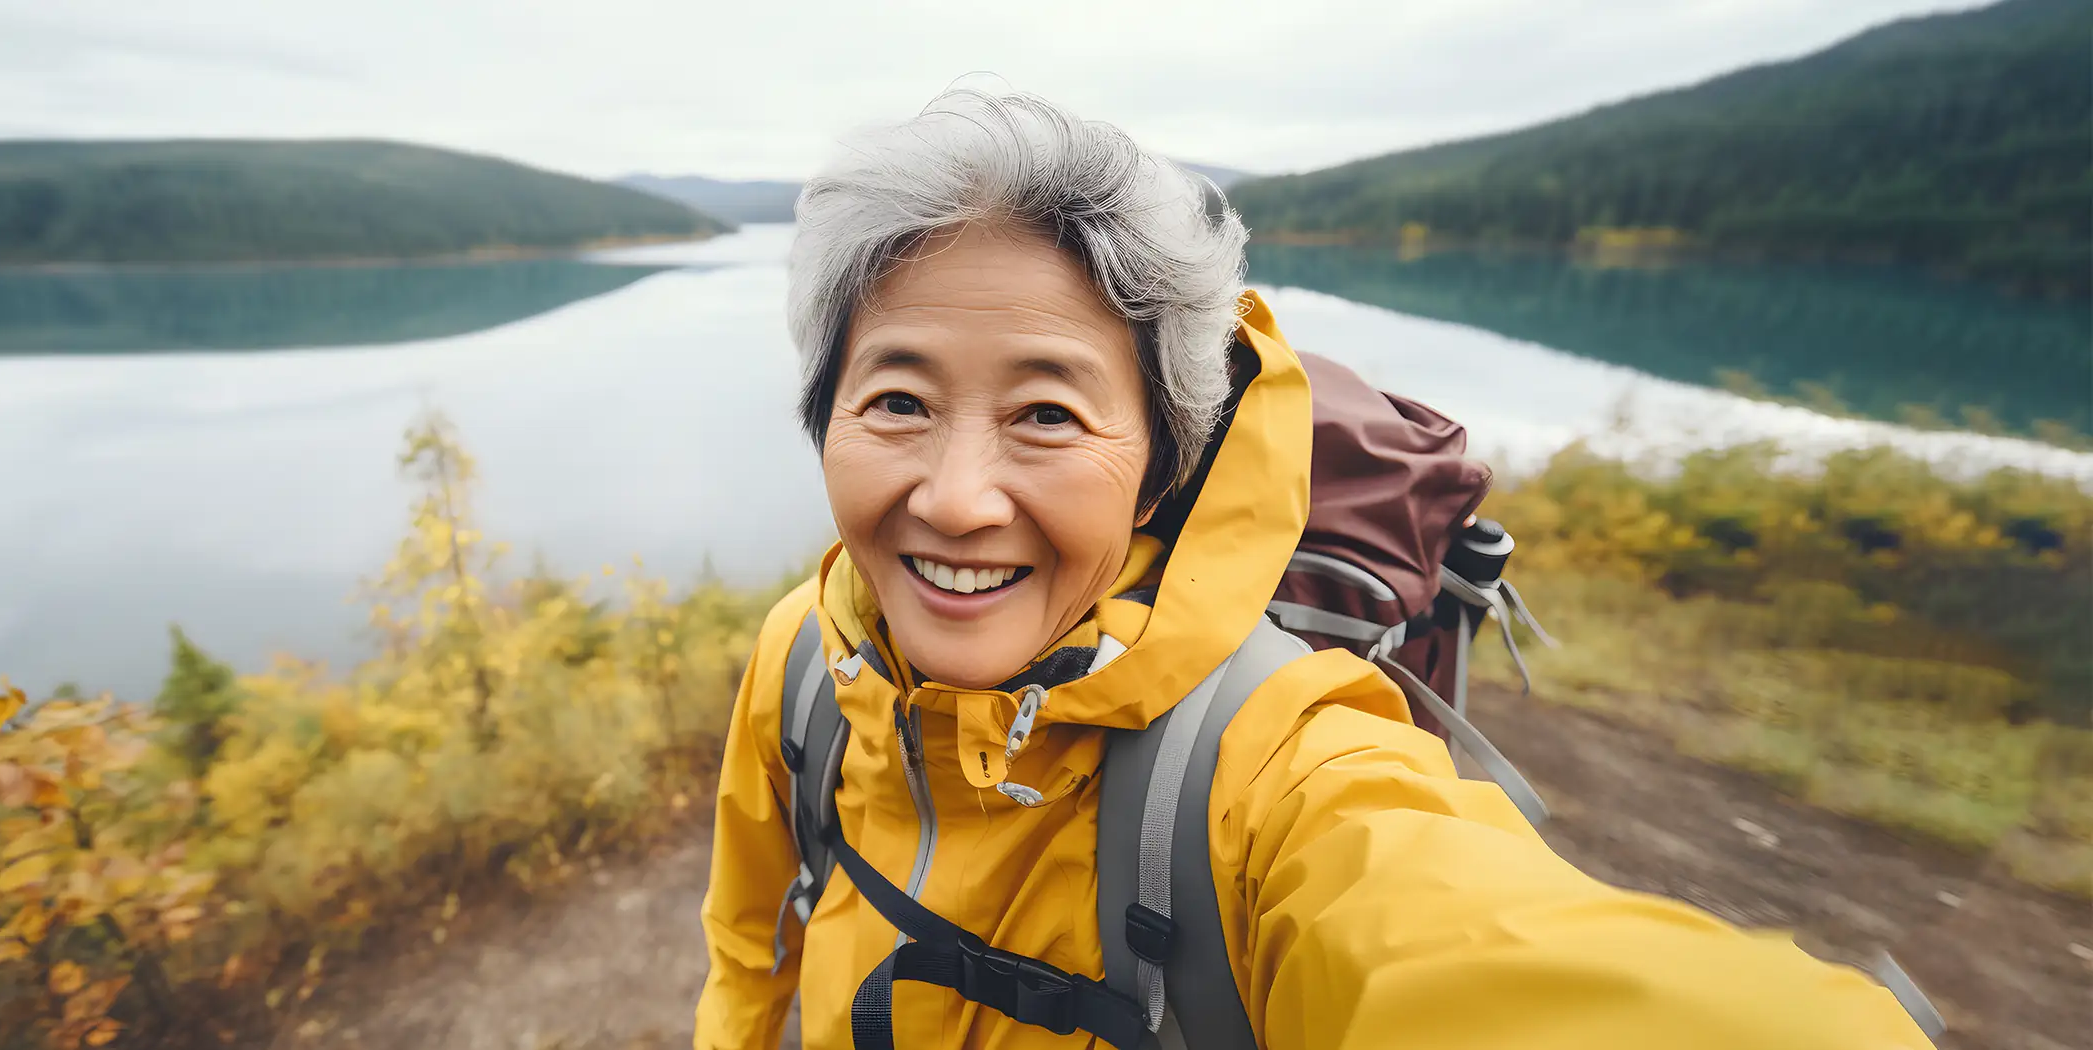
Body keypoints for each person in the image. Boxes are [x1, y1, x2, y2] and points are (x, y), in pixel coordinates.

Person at [694, 89, 1934, 1050]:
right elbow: (749, 946)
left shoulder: (1275, 760)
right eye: (898, 398)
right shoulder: (809, 656)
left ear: (1161, 462)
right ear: (827, 415)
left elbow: (1472, 945)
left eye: (1050, 415)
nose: (957, 499)